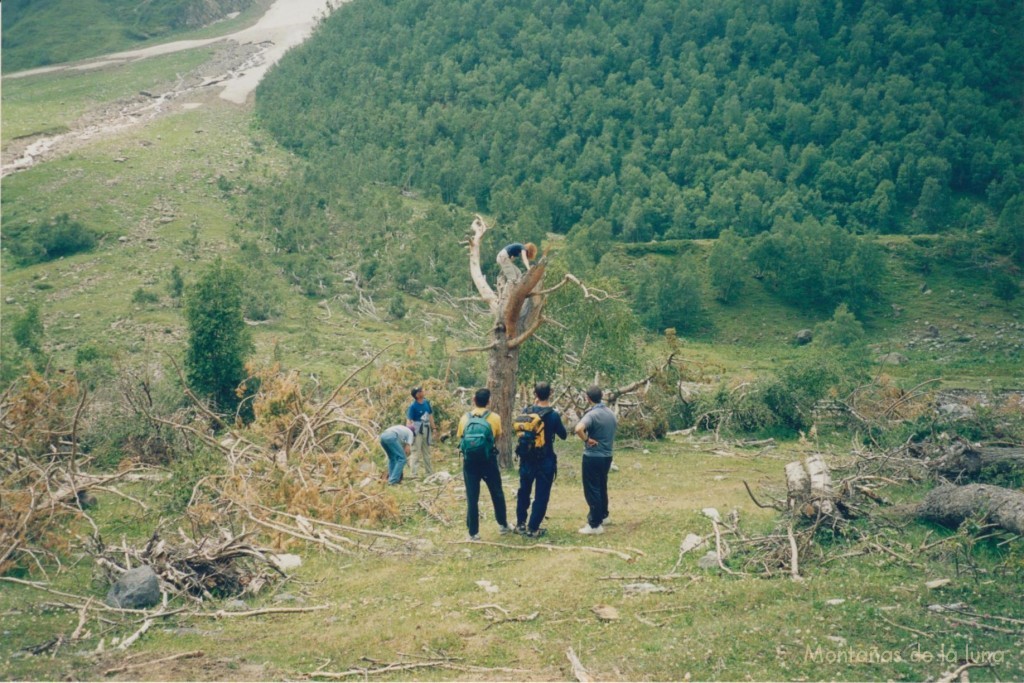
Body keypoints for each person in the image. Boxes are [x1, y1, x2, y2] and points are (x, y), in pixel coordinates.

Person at [456, 388, 513, 540]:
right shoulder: (494, 417)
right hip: (488, 461)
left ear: (474, 400)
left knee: (472, 496)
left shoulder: (464, 418)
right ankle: (503, 524)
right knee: (496, 492)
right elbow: (498, 437)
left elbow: (461, 438)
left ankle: (473, 533)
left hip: (470, 463)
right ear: (489, 401)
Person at [514, 382, 567, 538]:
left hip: (526, 459)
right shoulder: (553, 415)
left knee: (524, 491)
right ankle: (533, 527)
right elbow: (563, 435)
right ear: (550, 393)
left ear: (535, 394)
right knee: (541, 494)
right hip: (545, 460)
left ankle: (520, 524)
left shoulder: (526, 411)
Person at [574, 385, 617, 535]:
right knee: (601, 485)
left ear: (588, 398)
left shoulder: (592, 414)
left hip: (593, 456)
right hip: (607, 456)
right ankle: (604, 515)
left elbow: (578, 428)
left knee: (592, 489)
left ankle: (594, 524)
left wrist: (586, 439)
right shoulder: (610, 413)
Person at [406, 386, 436, 478]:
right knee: (416, 451)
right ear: (418, 394)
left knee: (427, 451)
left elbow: (430, 415)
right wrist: (409, 435)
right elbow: (409, 421)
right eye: (421, 391)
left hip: (426, 428)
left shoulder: (426, 402)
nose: (424, 391)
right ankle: (413, 474)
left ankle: (429, 472)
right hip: (417, 429)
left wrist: (434, 428)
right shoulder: (412, 406)